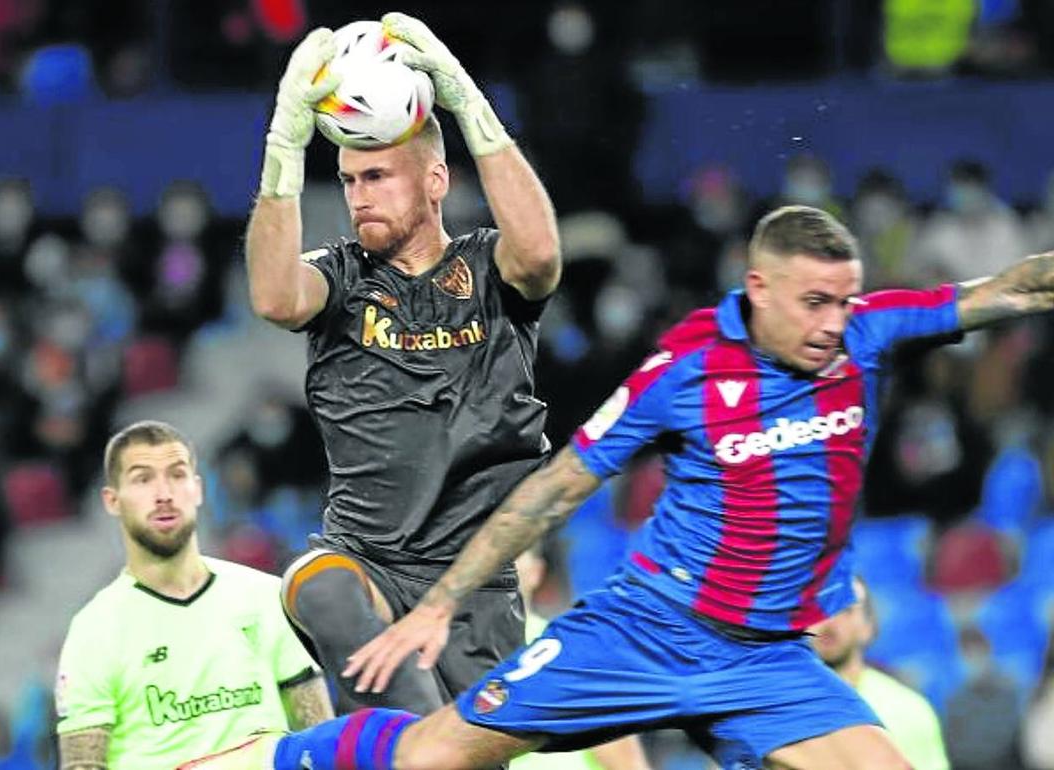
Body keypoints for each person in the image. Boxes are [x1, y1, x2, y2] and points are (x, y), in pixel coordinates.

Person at [187, 203, 1054, 770]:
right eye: (816, 302)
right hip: (646, 631)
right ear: (759, 289)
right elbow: (555, 488)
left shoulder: (867, 333)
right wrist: (442, 602)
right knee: (429, 759)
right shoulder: (685, 370)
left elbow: (1008, 290)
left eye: (846, 301)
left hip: (765, 659)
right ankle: (274, 758)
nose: (836, 322)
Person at [245, 12, 561, 717]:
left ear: (436, 181)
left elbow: (540, 255)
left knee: (455, 755)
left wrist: (465, 99)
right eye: (350, 179)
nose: (359, 196)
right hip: (366, 565)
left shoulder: (487, 269)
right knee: (316, 585)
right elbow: (272, 295)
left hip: (474, 588)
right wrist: (284, 142)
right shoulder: (342, 277)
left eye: (379, 176)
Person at [55, 420, 332, 769]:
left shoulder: (264, 596)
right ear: (112, 501)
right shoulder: (95, 629)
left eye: (176, 475)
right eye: (142, 479)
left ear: (198, 489)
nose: (164, 494)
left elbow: (320, 736)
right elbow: (82, 762)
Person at [510, 540, 651, 770]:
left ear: (537, 572)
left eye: (512, 555)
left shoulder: (573, 651)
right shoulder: (444, 653)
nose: (499, 568)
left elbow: (628, 764)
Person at [808, 576, 950, 770]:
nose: (830, 621)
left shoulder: (908, 710)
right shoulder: (769, 709)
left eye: (845, 610)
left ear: (869, 627)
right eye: (818, 609)